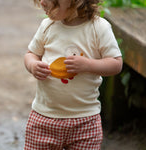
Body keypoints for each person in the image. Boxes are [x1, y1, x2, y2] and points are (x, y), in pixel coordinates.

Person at [24, 0, 123, 149]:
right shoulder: (47, 26)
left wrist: (88, 65)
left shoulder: (98, 28)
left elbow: (116, 63)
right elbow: (31, 53)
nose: (42, 3)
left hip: (85, 121)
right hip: (44, 117)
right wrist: (32, 65)